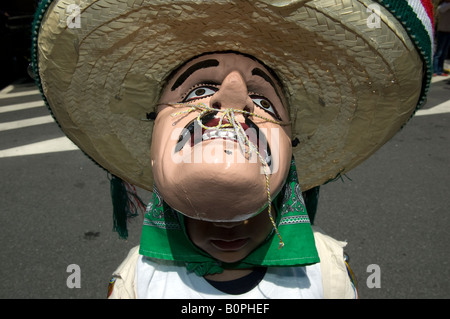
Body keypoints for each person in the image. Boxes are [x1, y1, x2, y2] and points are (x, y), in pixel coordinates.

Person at [31, 0, 434, 299]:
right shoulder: (138, 279)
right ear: (154, 128)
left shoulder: (325, 272)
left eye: (264, 102)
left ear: (292, 145)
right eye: (199, 89)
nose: (233, 98)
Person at [433, 0, 450, 76]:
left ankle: (440, 70)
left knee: (444, 53)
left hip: (448, 31)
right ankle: (435, 70)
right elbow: (442, 9)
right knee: (439, 52)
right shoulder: (442, 6)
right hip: (442, 31)